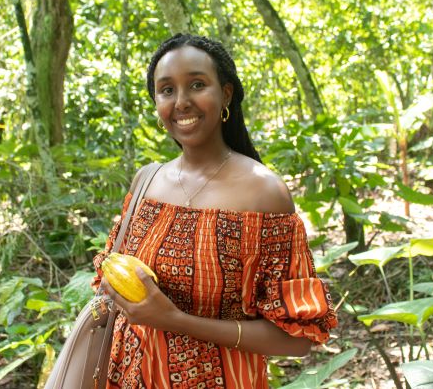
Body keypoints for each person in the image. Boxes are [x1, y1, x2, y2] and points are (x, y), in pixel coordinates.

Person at [93, 33, 337, 388]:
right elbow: (110, 282)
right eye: (167, 90)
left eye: (196, 84)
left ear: (226, 93)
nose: (182, 102)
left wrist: (175, 320)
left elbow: (298, 339)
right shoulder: (146, 181)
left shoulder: (263, 192)